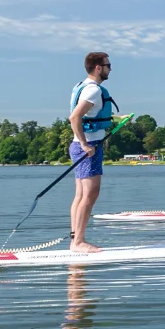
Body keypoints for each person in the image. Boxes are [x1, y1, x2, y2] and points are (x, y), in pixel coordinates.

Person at [68, 51, 119, 253]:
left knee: (81, 194)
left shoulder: (80, 86)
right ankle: (78, 242)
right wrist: (85, 144)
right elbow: (75, 118)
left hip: (83, 145)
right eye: (108, 65)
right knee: (90, 193)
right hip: (88, 146)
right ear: (98, 67)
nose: (110, 68)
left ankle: (75, 238)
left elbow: (92, 115)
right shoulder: (93, 90)